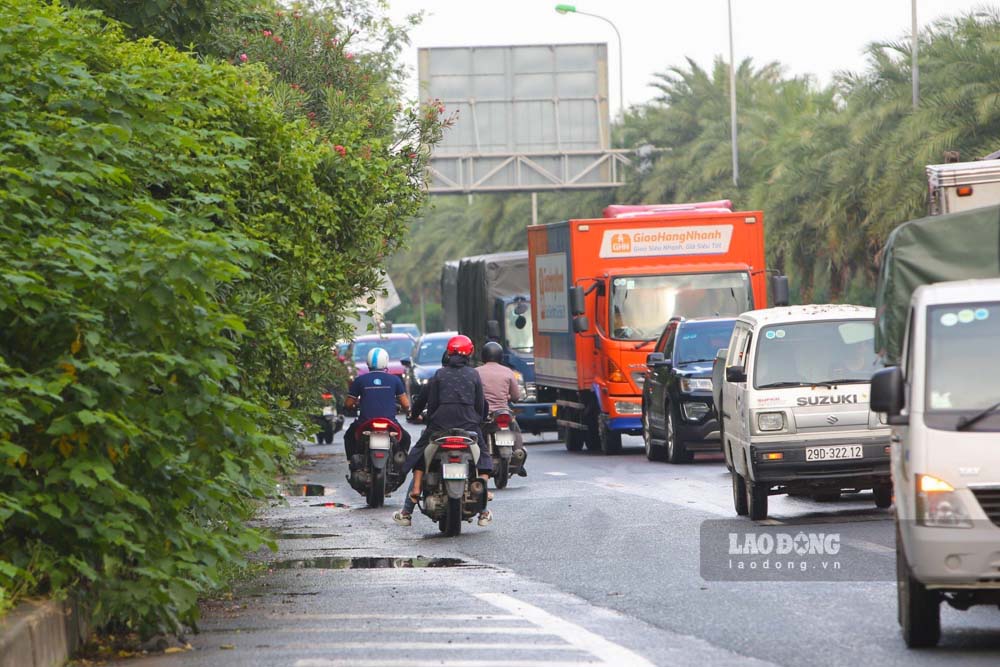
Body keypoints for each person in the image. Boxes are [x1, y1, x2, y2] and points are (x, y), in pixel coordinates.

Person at [393, 334, 493, 527]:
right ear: (469, 353)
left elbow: (429, 404)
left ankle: (408, 508)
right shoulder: (473, 375)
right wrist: (476, 421)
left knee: (420, 453)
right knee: (484, 456)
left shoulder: (439, 375)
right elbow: (480, 406)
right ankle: (483, 505)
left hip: (439, 427)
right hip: (469, 427)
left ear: (448, 353)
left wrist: (423, 418)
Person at [343, 347, 411, 469]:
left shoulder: (360, 380)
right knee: (406, 438)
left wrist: (353, 406)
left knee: (348, 436)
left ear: (367, 362)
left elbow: (348, 404)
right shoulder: (395, 380)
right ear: (386, 362)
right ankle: (400, 464)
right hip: (389, 423)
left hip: (365, 423)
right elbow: (406, 405)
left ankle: (352, 463)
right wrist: (408, 411)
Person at [475, 341, 527, 477]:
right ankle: (519, 456)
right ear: (500, 356)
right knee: (515, 428)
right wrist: (507, 396)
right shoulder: (508, 372)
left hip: (484, 415)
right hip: (504, 413)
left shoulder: (476, 372)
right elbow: (516, 396)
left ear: (483, 356)